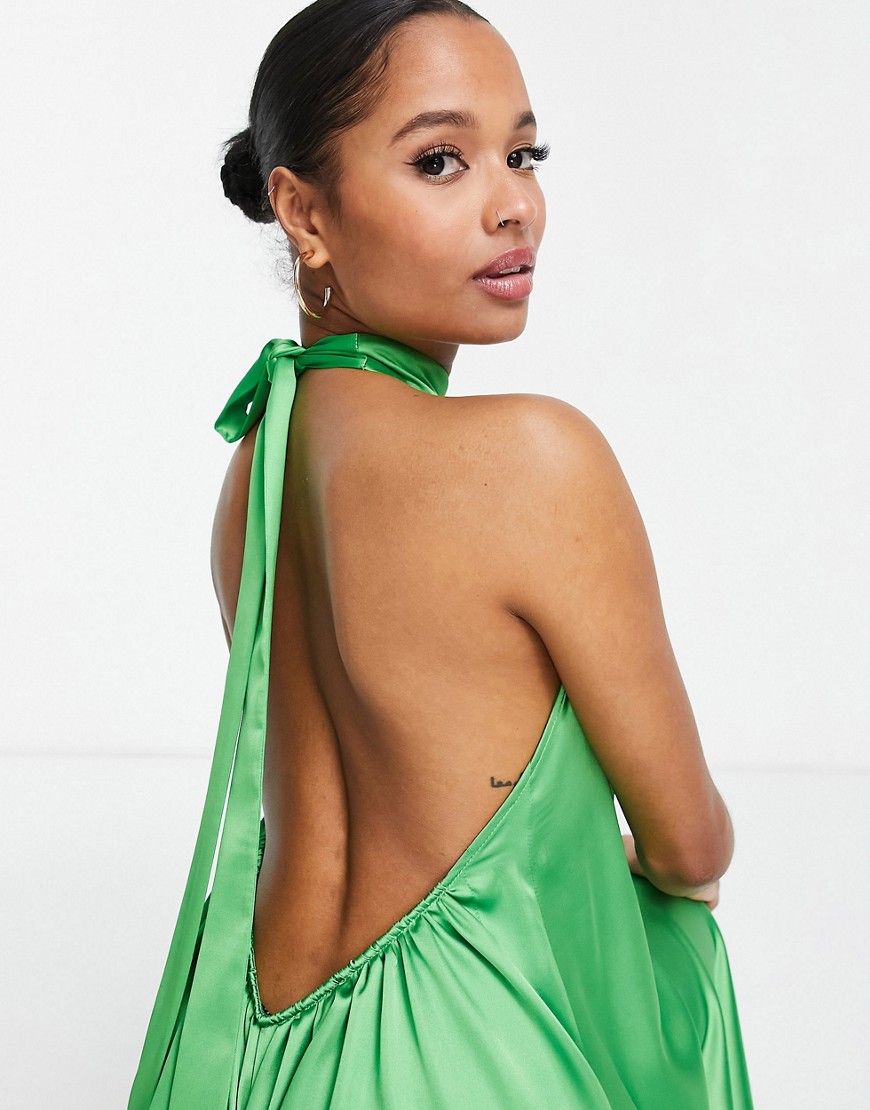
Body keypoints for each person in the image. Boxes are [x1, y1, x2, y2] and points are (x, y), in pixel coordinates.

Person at [128, 1, 754, 1106]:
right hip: (462, 1056)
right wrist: (640, 870)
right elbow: (690, 847)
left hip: (251, 1058)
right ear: (303, 212)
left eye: (523, 154)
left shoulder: (255, 473)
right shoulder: (534, 460)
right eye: (440, 161)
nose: (513, 205)